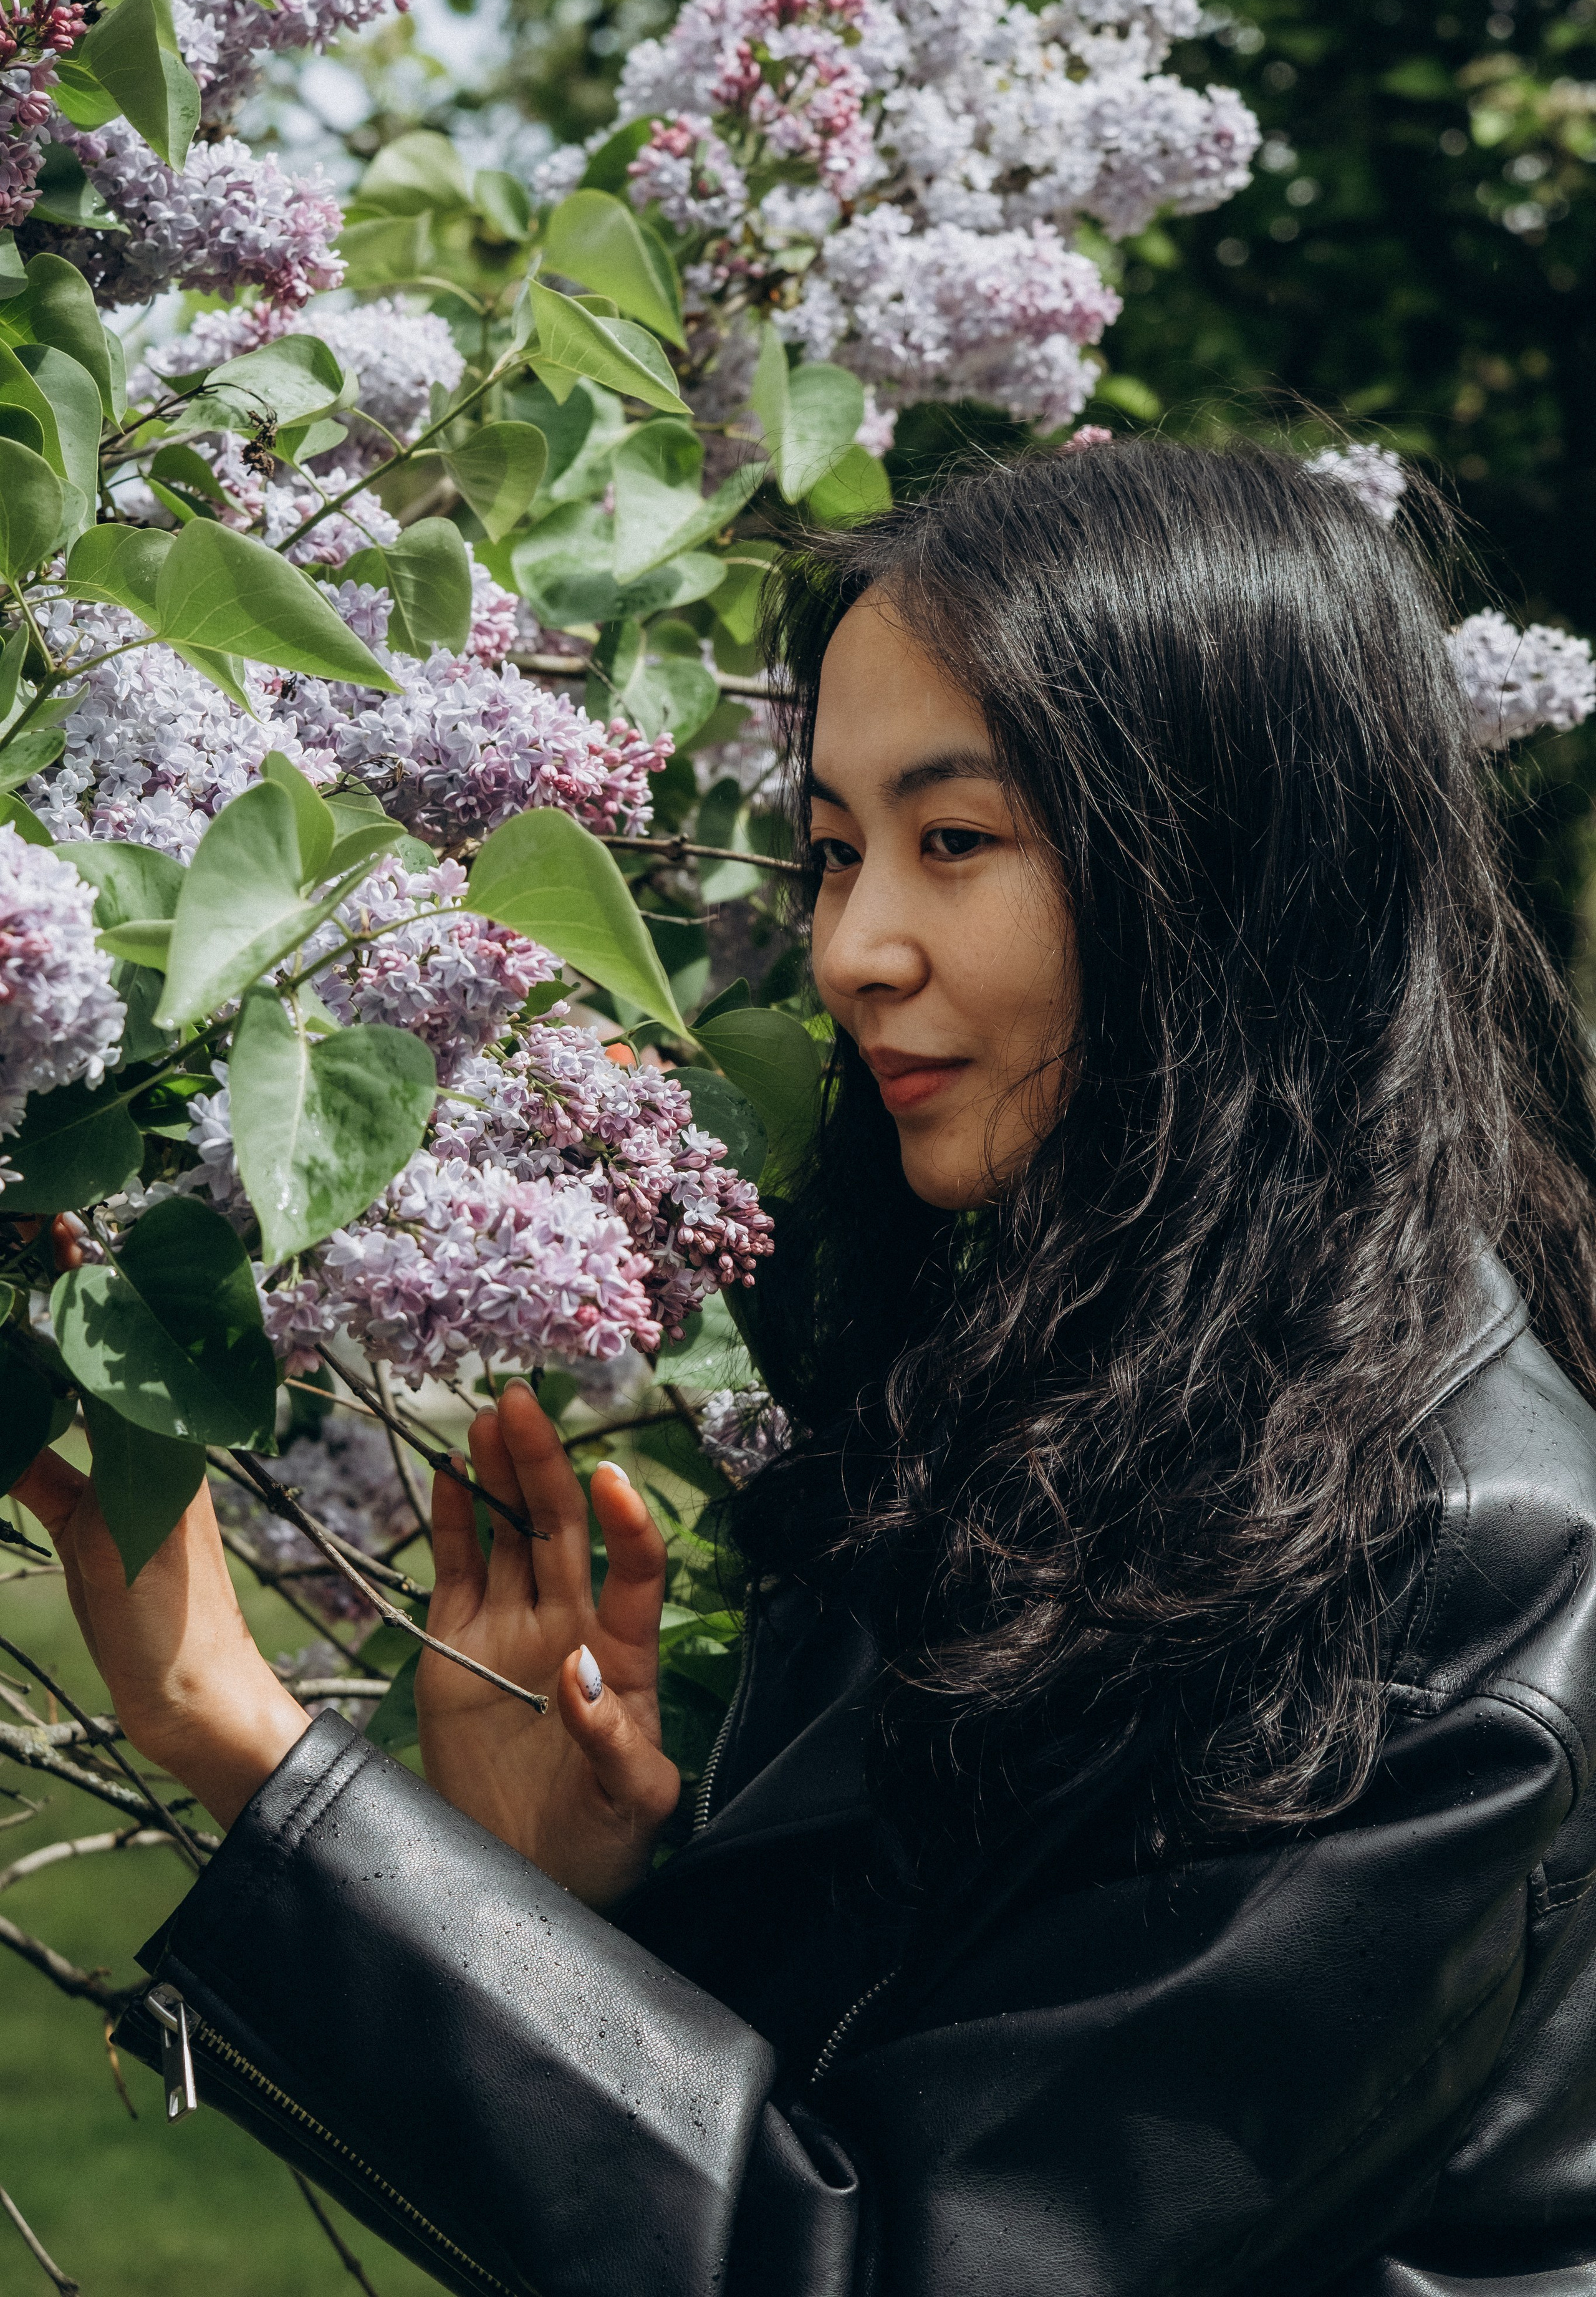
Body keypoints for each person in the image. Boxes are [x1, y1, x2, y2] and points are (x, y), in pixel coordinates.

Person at [20, 438, 1596, 2297]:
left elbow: (911, 2266)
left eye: (957, 842)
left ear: (1236, 861)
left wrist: (244, 1736)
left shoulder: (1464, 1568)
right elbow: (886, 2096)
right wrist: (562, 1907)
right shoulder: (1093, 1380)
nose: (850, 950)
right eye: (837, 849)